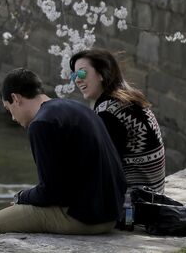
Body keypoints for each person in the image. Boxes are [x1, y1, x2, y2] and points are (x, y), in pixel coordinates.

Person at [0, 68, 126, 243]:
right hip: (110, 214)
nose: (12, 117)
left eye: (9, 109)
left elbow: (51, 193)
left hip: (83, 219)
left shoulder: (41, 123)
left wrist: (21, 197)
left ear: (15, 98)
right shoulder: (78, 108)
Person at [69, 48, 166, 193]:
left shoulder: (108, 112)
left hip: (133, 206)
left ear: (101, 73)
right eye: (74, 75)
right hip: (153, 195)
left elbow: (102, 168)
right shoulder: (130, 100)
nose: (77, 79)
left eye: (82, 73)